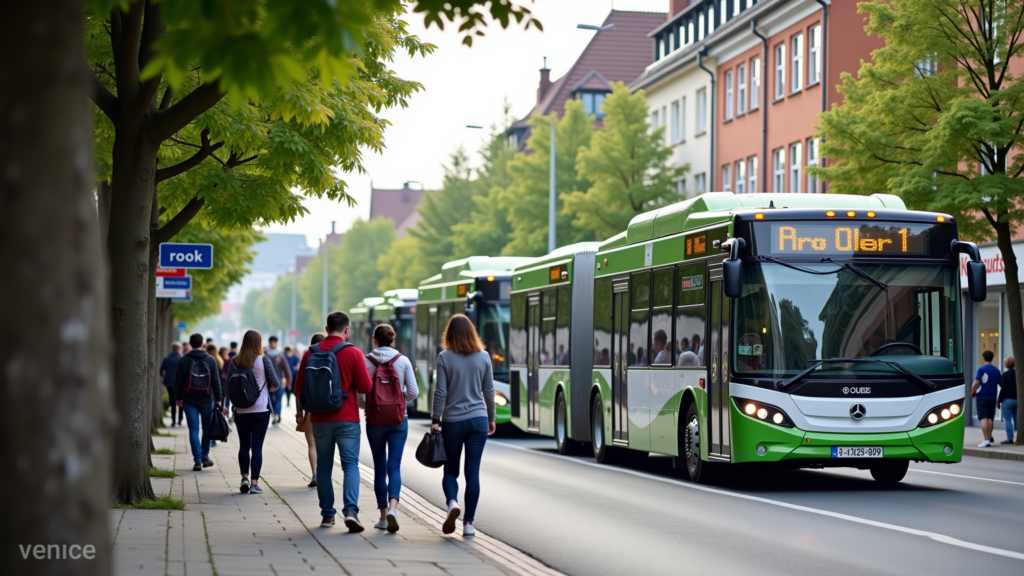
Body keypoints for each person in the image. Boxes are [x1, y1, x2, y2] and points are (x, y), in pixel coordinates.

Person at [293, 312, 373, 532]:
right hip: (347, 419)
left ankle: (328, 515)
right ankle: (350, 512)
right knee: (350, 466)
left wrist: (301, 412)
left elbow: (298, 388)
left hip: (319, 419)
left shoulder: (310, 353)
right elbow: (366, 388)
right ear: (347, 330)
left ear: (326, 329)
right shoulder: (353, 353)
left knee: (324, 468)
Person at [430, 314, 496, 536]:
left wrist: (435, 419)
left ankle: (452, 503)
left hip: (453, 422)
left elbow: (441, 392)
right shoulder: (484, 356)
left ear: (449, 334)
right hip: (478, 420)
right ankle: (469, 524)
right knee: (473, 472)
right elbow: (489, 391)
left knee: (450, 470)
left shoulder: (444, 357)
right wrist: (491, 418)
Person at [361, 324, 418, 533]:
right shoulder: (403, 361)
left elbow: (361, 395)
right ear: (392, 340)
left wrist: (370, 404)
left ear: (374, 340)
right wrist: (398, 397)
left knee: (379, 468)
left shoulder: (366, 362)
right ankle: (394, 508)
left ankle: (383, 517)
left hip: (374, 421)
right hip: (398, 420)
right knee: (394, 466)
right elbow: (413, 392)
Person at [227, 330, 280, 495]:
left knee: (244, 445)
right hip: (260, 409)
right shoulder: (263, 360)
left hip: (241, 409)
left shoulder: (235, 361)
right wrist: (267, 389)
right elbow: (276, 383)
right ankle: (254, 484)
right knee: (257, 446)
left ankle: (244, 478)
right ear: (258, 342)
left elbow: (229, 386)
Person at [174, 333, 223, 471]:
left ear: (190, 344)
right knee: (207, 428)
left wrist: (178, 397)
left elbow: (178, 381)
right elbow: (216, 381)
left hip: (189, 399)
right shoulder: (211, 359)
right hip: (207, 399)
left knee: (193, 429)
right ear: (202, 344)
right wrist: (218, 399)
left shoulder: (184, 360)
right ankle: (205, 456)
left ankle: (197, 460)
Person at [295, 333, 325, 488]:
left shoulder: (307, 356)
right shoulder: (331, 355)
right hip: (328, 410)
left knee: (312, 445)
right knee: (325, 446)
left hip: (311, 410)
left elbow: (298, 388)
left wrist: (299, 411)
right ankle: (324, 475)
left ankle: (314, 474)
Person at [971, 350, 1001, 447]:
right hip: (992, 396)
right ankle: (988, 437)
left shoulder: (981, 369)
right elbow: (1000, 383)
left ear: (983, 358)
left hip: (982, 396)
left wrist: (972, 392)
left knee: (983, 418)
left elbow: (976, 383)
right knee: (990, 418)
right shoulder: (997, 370)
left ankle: (985, 440)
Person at [265, 335, 292, 425]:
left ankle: (274, 414)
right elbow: (287, 369)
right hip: (279, 380)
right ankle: (277, 414)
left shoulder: (264, 354)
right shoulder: (281, 355)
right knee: (279, 399)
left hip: (267, 381)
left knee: (270, 399)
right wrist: (289, 382)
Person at [160, 342, 183, 426]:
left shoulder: (166, 358)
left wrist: (165, 377)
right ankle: (180, 419)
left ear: (172, 349)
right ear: (179, 349)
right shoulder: (182, 358)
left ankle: (173, 421)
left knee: (172, 401)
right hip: (180, 384)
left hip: (169, 383)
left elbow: (161, 371)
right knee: (181, 401)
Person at [998, 357, 1018, 444]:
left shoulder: (1005, 375)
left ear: (1006, 364)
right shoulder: (1018, 374)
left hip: (1007, 400)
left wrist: (999, 401)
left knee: (1008, 420)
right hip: (1017, 400)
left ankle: (1010, 438)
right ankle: (1019, 436)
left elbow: (1003, 389)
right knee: (1017, 419)